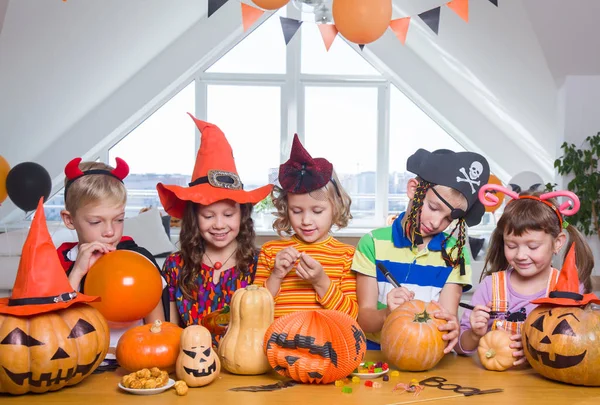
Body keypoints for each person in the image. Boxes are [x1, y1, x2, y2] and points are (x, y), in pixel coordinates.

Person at [352, 149, 491, 351]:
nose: (436, 223)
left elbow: (447, 316)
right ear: (414, 189)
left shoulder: (455, 255)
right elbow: (363, 319)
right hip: (375, 355)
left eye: (448, 219)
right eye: (434, 208)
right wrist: (388, 313)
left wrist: (450, 326)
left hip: (428, 354)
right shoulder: (372, 243)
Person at [157, 113, 272, 344]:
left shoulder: (259, 263)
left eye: (228, 214)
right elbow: (170, 329)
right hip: (192, 365)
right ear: (194, 218)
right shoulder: (175, 266)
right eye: (208, 216)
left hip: (247, 364)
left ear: (243, 215)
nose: (219, 224)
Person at [456, 185, 594, 365]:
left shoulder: (569, 288)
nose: (521, 255)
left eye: (533, 247)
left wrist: (532, 349)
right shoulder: (490, 287)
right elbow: (460, 348)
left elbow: (583, 346)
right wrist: (474, 334)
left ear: (557, 243)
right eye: (511, 246)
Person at [57, 157, 166, 363]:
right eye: (96, 221)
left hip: (136, 361)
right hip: (78, 363)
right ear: (69, 219)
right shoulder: (60, 263)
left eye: (119, 219)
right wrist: (77, 273)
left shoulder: (139, 260)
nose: (109, 231)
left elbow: (157, 327)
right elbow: (54, 330)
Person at [253, 134, 357, 319]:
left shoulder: (346, 256)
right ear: (286, 208)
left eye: (317, 211)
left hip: (327, 345)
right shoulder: (270, 252)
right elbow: (254, 311)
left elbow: (352, 317)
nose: (306, 220)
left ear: (335, 207)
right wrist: (276, 275)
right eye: (296, 211)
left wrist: (320, 281)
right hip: (278, 345)